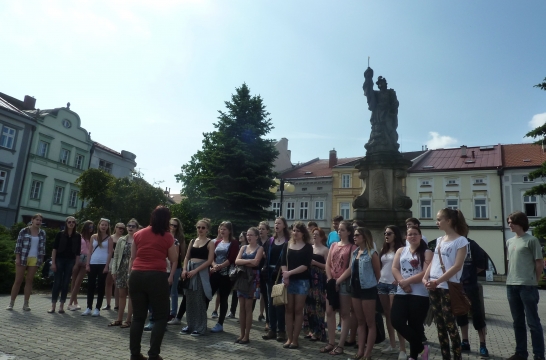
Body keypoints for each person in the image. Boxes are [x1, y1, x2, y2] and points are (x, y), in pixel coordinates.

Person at [129, 206, 177, 360]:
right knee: (161, 317)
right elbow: (174, 258)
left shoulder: (138, 234)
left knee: (138, 317)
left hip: (136, 275)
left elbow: (133, 257)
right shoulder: (168, 236)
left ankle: (135, 354)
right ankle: (154, 355)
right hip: (157, 276)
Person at [422, 208, 469, 360]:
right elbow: (434, 261)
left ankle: (457, 356)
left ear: (448, 221)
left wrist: (437, 281)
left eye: (439, 219)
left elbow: (457, 266)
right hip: (434, 285)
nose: (437, 222)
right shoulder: (439, 240)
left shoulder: (461, 240)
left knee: (450, 324)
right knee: (440, 325)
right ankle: (445, 356)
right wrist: (426, 277)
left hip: (447, 286)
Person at [337, 226, 380, 360]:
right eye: (354, 235)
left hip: (368, 290)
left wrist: (375, 290)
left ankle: (368, 353)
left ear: (364, 237)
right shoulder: (355, 253)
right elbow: (350, 269)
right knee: (360, 321)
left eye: (357, 235)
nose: (354, 237)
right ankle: (360, 351)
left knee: (370, 322)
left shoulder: (372, 253)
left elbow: (378, 274)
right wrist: (338, 280)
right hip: (355, 289)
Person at [506, 211, 544, 360]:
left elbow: (539, 262)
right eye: (508, 222)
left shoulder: (532, 240)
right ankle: (520, 353)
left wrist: (535, 280)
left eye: (512, 222)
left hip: (527, 286)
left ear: (520, 223)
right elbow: (510, 262)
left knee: (533, 322)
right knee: (517, 322)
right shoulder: (509, 242)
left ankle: (539, 355)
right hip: (511, 285)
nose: (510, 224)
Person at [391, 226, 433, 360]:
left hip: (419, 295)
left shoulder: (427, 253)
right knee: (396, 321)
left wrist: (406, 282)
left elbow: (425, 273)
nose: (412, 237)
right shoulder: (401, 251)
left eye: (415, 234)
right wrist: (402, 282)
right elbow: (395, 268)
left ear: (420, 236)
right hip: (402, 292)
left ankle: (413, 356)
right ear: (406, 237)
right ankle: (422, 348)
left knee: (415, 325)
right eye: (410, 234)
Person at [321, 221, 357, 355]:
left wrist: (338, 281)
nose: (339, 232)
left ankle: (341, 344)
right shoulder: (334, 245)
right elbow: (328, 263)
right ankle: (331, 342)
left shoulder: (352, 247)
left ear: (348, 232)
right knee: (329, 311)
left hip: (344, 283)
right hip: (332, 282)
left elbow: (351, 268)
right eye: (338, 230)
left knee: (344, 314)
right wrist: (330, 279)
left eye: (342, 230)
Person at [281, 221, 313, 349]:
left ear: (303, 233)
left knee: (298, 310)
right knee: (288, 310)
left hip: (302, 281)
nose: (295, 233)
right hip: (288, 280)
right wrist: (285, 275)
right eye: (294, 230)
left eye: (298, 231)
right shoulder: (287, 245)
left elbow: (305, 266)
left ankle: (295, 339)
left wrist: (289, 273)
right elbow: (283, 262)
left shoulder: (308, 247)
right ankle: (289, 338)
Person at [180, 218, 214, 336]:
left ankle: (200, 327)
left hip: (200, 272)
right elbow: (186, 257)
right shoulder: (193, 241)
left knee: (199, 300)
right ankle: (190, 325)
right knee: (189, 299)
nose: (200, 230)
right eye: (198, 227)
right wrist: (184, 269)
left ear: (207, 229)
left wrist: (196, 270)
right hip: (190, 271)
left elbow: (210, 260)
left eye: (203, 228)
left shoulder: (210, 243)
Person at [456, 237, 489, 357]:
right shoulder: (450, 243)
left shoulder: (471, 244)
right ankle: (465, 342)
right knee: (460, 314)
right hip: (456, 286)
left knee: (477, 315)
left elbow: (481, 264)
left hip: (470, 285)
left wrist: (468, 274)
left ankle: (482, 345)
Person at [378, 225, 406, 358]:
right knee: (388, 316)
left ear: (395, 234)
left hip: (394, 285)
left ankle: (403, 348)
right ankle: (393, 345)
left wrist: (400, 279)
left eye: (389, 233)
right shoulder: (384, 249)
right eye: (385, 233)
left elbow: (404, 267)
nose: (386, 235)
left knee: (396, 317)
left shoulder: (401, 249)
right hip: (382, 283)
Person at [7, 214, 46, 311]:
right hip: (23, 257)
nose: (38, 222)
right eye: (37, 219)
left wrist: (40, 260)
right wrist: (18, 258)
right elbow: (18, 245)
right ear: (32, 220)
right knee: (18, 280)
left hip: (34, 258)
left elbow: (42, 248)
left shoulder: (42, 233)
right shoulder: (24, 231)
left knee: (29, 281)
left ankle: (26, 304)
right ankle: (11, 303)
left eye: (40, 220)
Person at [234, 227, 264, 344]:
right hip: (242, 278)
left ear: (257, 237)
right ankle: (241, 334)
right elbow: (236, 261)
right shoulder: (243, 247)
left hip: (253, 279)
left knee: (248, 307)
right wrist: (249, 262)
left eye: (251, 235)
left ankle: (247, 336)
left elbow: (256, 262)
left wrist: (244, 261)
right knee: (241, 307)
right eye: (248, 235)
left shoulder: (260, 248)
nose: (249, 237)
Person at [262, 217, 289, 342]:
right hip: (269, 275)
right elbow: (266, 256)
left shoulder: (288, 241)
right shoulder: (270, 240)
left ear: (284, 226)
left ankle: (281, 331)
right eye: (275, 223)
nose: (276, 225)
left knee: (279, 303)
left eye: (279, 223)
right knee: (270, 303)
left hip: (280, 274)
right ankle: (272, 329)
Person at [209, 221, 239, 333]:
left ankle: (220, 323)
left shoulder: (234, 242)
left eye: (224, 229)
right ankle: (201, 319)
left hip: (226, 275)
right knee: (207, 295)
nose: (222, 231)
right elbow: (212, 257)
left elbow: (231, 259)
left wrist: (220, 266)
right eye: (221, 229)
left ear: (229, 231)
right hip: (215, 273)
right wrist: (214, 265)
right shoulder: (217, 242)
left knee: (223, 298)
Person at [109, 218, 139, 328]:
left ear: (137, 228)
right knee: (121, 295)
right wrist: (114, 270)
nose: (130, 228)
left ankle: (128, 320)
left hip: (133, 270)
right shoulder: (121, 239)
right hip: (121, 269)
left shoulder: (139, 240)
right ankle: (119, 319)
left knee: (131, 295)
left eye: (133, 226)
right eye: (129, 226)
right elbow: (116, 256)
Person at [49, 216, 81, 314]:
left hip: (70, 261)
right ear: (66, 223)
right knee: (57, 282)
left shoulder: (77, 236)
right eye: (69, 222)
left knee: (66, 282)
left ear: (75, 224)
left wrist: (76, 264)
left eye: (73, 222)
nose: (71, 224)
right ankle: (53, 306)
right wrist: (53, 262)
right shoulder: (60, 234)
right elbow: (54, 249)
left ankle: (61, 306)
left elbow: (78, 252)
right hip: (59, 259)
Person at [82, 218, 113, 317]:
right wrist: (87, 264)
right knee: (90, 285)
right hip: (93, 263)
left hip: (103, 264)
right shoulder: (93, 237)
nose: (104, 226)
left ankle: (97, 308)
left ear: (108, 227)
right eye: (102, 224)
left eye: (106, 225)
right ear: (99, 225)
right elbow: (89, 251)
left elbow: (110, 253)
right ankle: (88, 307)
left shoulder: (109, 238)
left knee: (100, 286)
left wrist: (107, 266)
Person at [304, 227, 329, 341]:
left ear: (322, 237)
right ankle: (310, 329)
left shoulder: (325, 249)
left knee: (318, 305)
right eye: (313, 234)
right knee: (309, 305)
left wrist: (315, 263)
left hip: (318, 279)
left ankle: (319, 331)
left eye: (317, 234)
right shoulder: (309, 248)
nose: (314, 236)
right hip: (308, 278)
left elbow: (328, 266)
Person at [68, 220, 94, 311]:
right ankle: (74, 302)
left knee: (78, 282)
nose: (91, 229)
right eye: (90, 227)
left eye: (92, 227)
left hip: (87, 259)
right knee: (74, 281)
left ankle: (70, 303)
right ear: (86, 227)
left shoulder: (92, 237)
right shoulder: (79, 236)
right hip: (78, 257)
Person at [227, 231, 249, 319]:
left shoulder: (247, 248)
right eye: (239, 235)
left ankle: (243, 314)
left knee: (243, 294)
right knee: (235, 292)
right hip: (236, 271)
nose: (240, 237)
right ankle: (232, 311)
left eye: (242, 236)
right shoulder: (237, 247)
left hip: (244, 273)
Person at [104, 222, 125, 310]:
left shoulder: (124, 239)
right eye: (119, 227)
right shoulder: (110, 237)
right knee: (108, 282)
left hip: (119, 262)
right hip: (110, 260)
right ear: (115, 228)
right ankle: (108, 304)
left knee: (117, 284)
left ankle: (117, 305)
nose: (121, 229)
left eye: (123, 228)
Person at [168, 218, 186, 321]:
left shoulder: (179, 238)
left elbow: (182, 254)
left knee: (173, 290)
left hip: (176, 266)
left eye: (175, 225)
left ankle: (173, 312)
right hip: (165, 266)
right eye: (171, 225)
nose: (172, 227)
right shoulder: (164, 235)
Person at [257, 222, 272, 327]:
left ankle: (268, 320)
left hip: (266, 271)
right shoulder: (256, 241)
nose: (260, 230)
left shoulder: (270, 242)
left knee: (267, 297)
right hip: (255, 270)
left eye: (263, 229)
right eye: (259, 229)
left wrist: (265, 255)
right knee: (253, 296)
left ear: (267, 230)